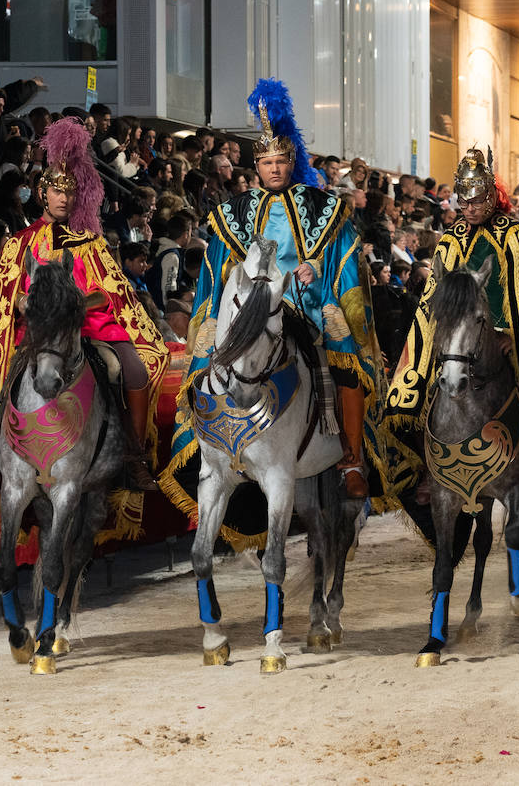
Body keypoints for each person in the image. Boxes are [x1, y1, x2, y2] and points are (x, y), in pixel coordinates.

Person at [162, 79, 382, 504]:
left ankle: (352, 458)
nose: (275, 169)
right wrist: (238, 284)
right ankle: (208, 452)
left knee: (345, 354)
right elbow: (217, 269)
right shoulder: (234, 212)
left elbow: (345, 258)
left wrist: (317, 269)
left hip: (309, 304)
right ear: (257, 166)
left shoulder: (323, 207)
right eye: (267, 163)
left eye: (281, 161)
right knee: (210, 357)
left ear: (291, 161)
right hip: (253, 307)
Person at [385, 148, 519, 566]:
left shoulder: (517, 236)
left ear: (492, 197)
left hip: (508, 338)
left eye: (478, 199)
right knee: (411, 391)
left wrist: (513, 332)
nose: (471, 208)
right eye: (465, 201)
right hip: (457, 338)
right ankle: (428, 469)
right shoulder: (449, 241)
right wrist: (437, 337)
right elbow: (435, 298)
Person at [0, 116, 168, 489]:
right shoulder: (20, 242)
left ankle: (133, 455)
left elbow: (110, 290)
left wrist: (74, 305)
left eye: (70, 194)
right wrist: (25, 303)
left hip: (91, 327)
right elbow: (6, 293)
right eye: (57, 192)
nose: (63, 199)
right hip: (38, 329)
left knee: (136, 370)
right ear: (43, 193)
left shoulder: (91, 243)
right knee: (4, 367)